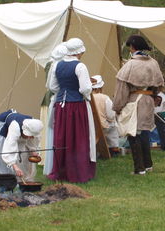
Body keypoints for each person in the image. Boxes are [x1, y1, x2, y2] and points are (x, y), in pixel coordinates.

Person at [113, 35, 164, 175]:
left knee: (134, 133)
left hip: (135, 101)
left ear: (132, 47)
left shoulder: (130, 64)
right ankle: (148, 165)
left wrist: (117, 107)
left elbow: (121, 89)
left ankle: (139, 168)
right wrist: (152, 96)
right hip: (148, 100)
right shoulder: (153, 62)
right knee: (144, 132)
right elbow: (159, 85)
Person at [47, 37, 96, 182]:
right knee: (78, 138)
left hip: (61, 106)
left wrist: (64, 91)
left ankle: (61, 171)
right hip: (76, 106)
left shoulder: (57, 65)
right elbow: (85, 88)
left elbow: (53, 87)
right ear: (79, 51)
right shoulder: (80, 66)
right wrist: (86, 93)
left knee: (62, 137)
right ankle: (77, 172)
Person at [0, 109, 43, 182]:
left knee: (24, 154)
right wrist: (15, 166)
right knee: (2, 154)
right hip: (2, 125)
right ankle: (4, 181)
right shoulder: (15, 127)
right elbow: (9, 148)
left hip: (15, 124)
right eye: (29, 135)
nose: (30, 137)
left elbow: (33, 139)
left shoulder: (34, 124)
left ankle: (24, 179)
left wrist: (33, 150)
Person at [43, 42, 68, 175]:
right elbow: (52, 86)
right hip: (58, 100)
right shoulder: (53, 66)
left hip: (59, 99)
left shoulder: (55, 65)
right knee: (55, 134)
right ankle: (54, 165)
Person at [91, 75, 120, 156]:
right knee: (113, 125)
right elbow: (111, 115)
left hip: (90, 126)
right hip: (101, 126)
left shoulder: (85, 98)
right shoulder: (104, 98)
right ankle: (113, 148)